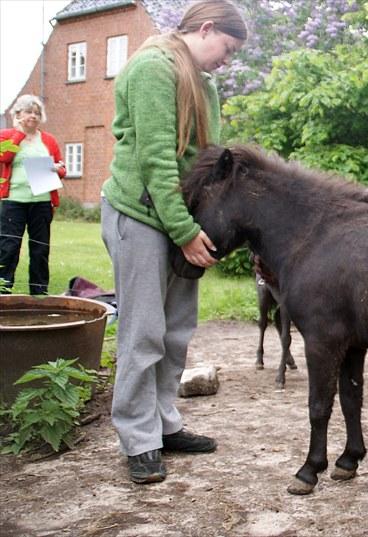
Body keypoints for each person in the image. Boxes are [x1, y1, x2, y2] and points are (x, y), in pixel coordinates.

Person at [100, 0, 246, 484]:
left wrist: (205, 220)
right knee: (143, 332)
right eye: (225, 49)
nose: (226, 62)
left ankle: (163, 425)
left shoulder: (203, 82)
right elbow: (157, 162)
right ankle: (138, 440)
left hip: (179, 216)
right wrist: (185, 233)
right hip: (140, 214)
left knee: (176, 330)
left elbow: (204, 160)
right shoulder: (151, 69)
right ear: (205, 29)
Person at [0, 94, 66, 295]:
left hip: (42, 202)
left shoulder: (48, 140)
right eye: (29, 112)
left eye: (37, 113)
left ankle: (39, 294)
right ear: (18, 114)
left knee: (40, 249)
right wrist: (19, 134)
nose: (33, 116)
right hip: (13, 202)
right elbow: (4, 156)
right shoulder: (6, 135)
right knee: (8, 248)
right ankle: (3, 292)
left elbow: (62, 168)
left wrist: (57, 168)